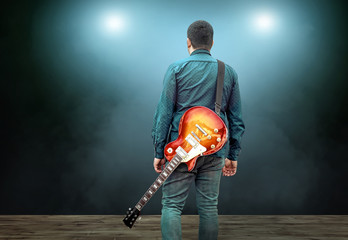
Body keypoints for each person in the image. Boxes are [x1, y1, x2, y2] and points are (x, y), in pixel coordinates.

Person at [151, 20, 245, 240]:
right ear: (212, 42)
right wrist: (233, 154)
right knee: (209, 208)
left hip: (180, 151)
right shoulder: (227, 71)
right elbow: (236, 118)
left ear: (188, 42)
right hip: (214, 151)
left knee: (172, 206)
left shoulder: (176, 69)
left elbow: (163, 114)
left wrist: (158, 151)